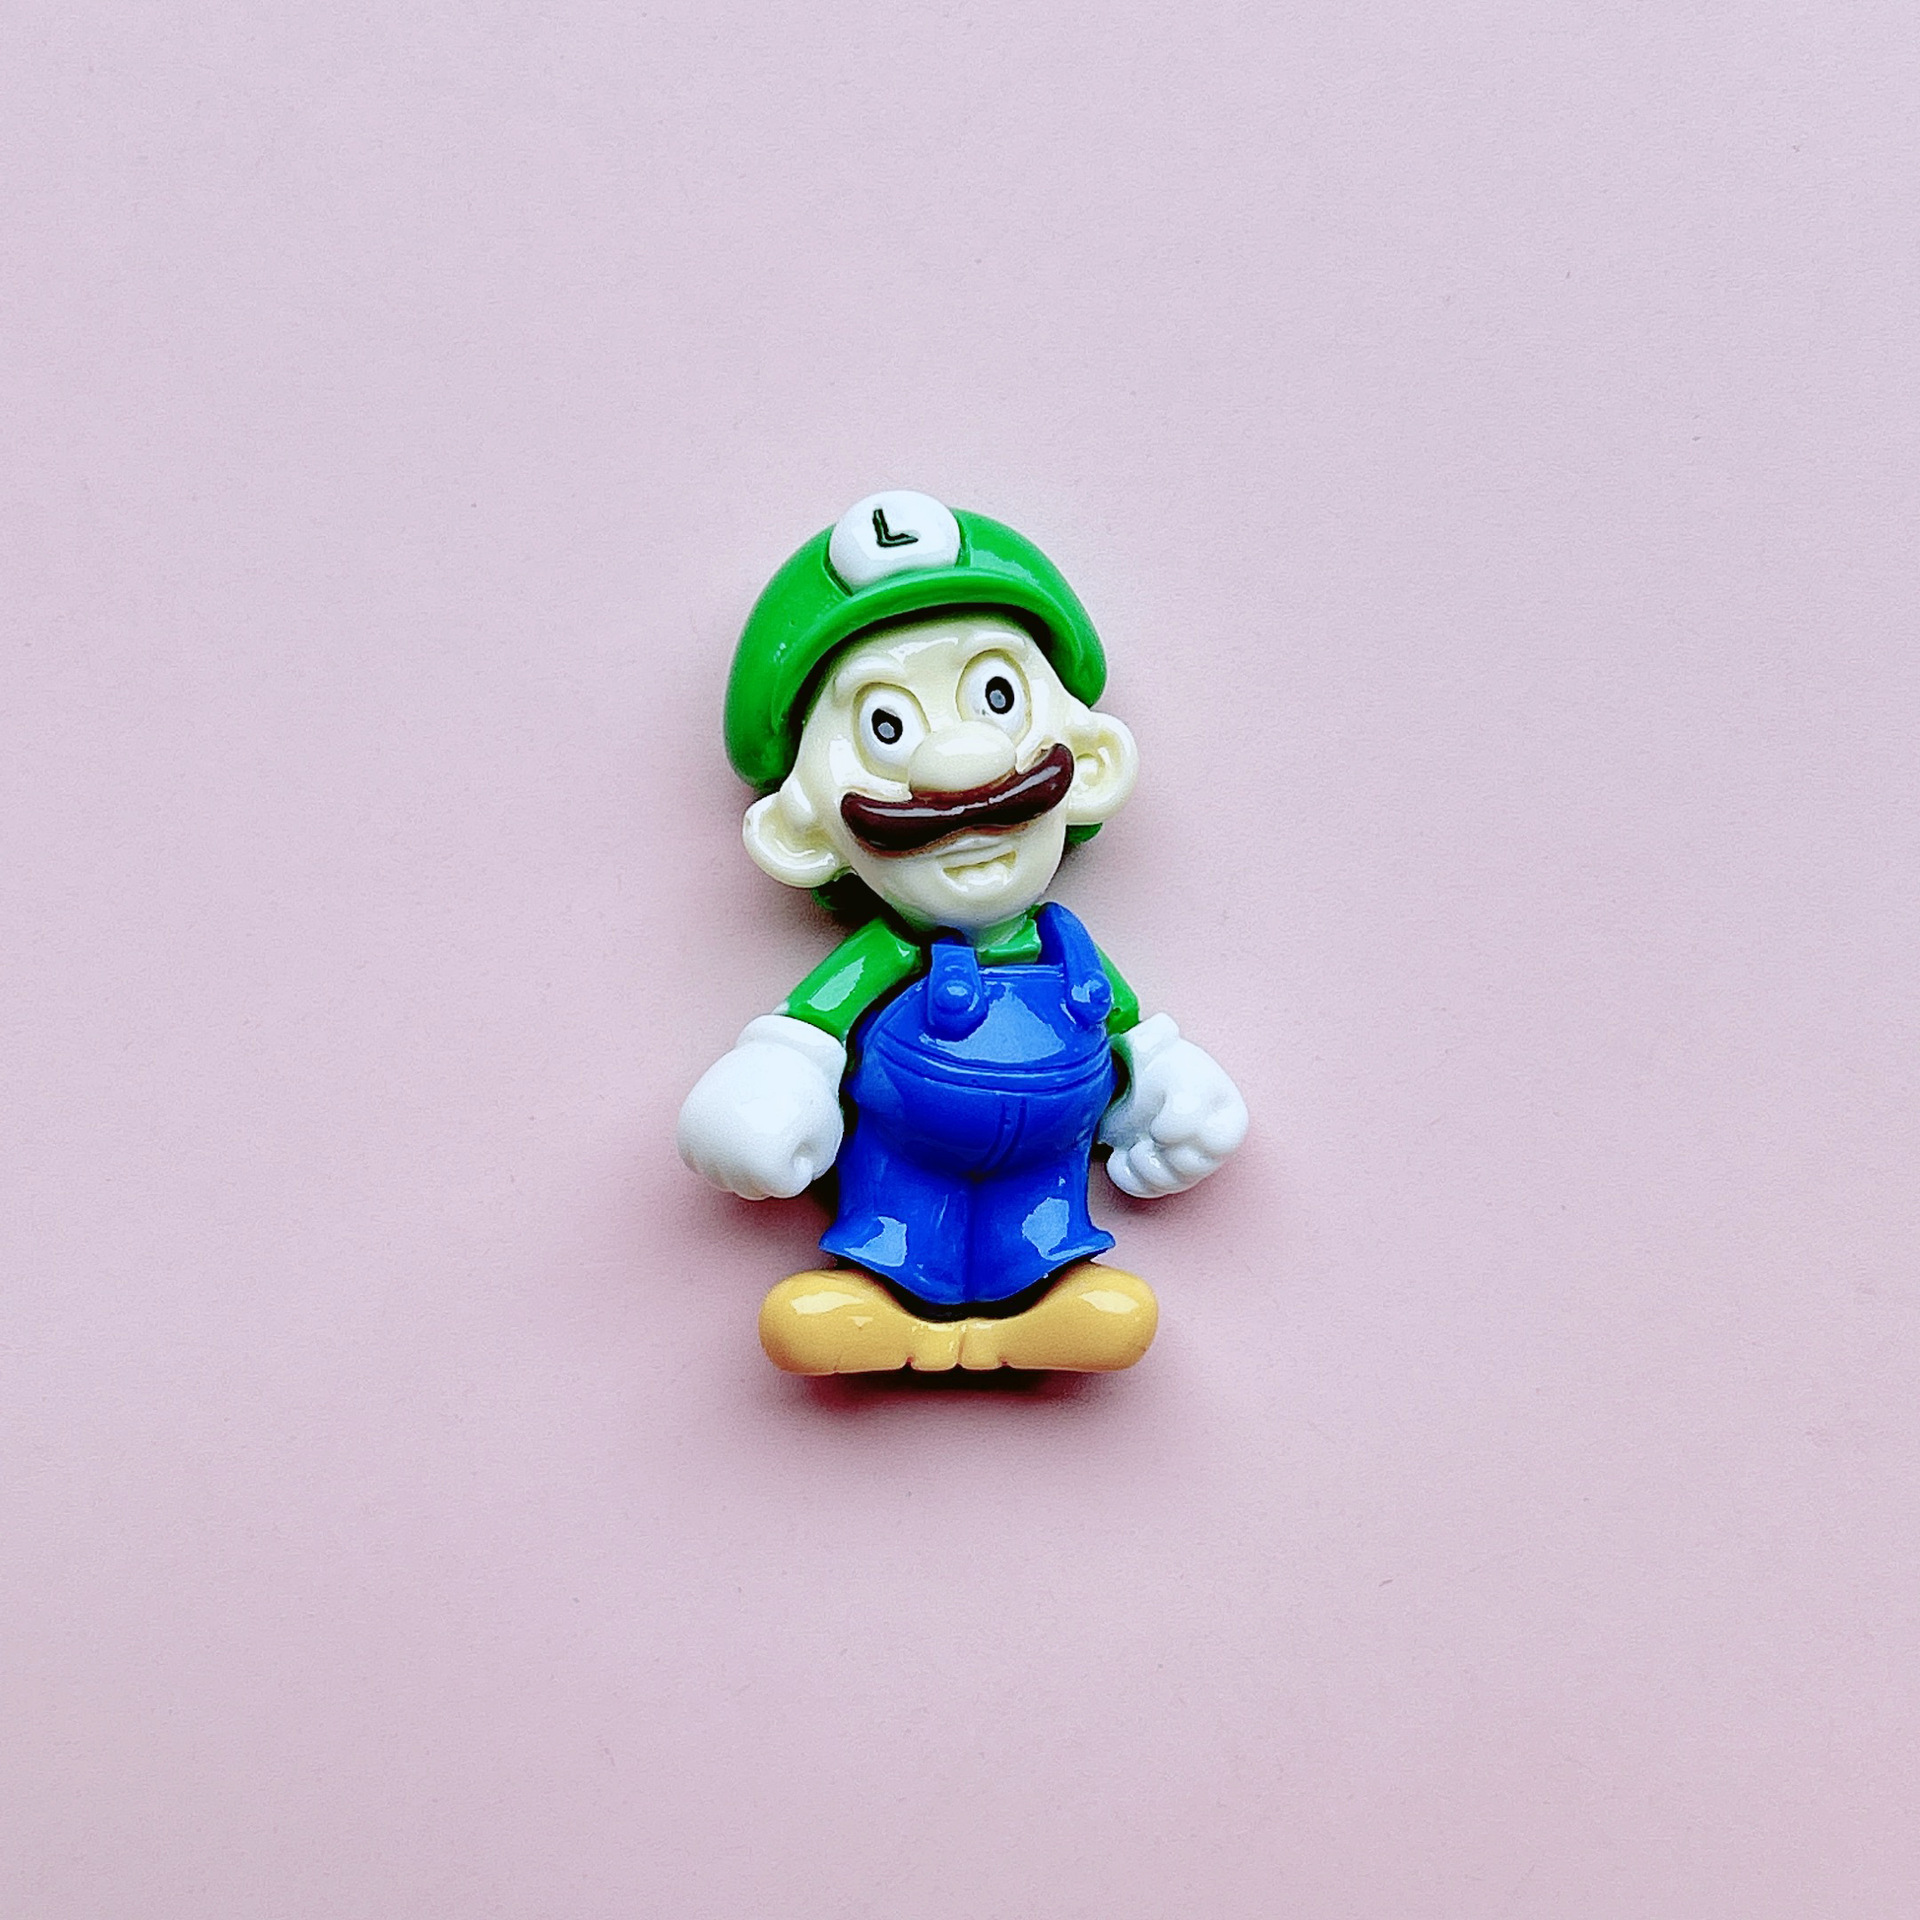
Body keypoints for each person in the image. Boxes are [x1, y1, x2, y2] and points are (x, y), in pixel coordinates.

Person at [678, 491, 1247, 1374]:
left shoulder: (1066, 948)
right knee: (899, 1217)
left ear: (1092, 762)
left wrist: (1171, 1083)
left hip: (1047, 1165)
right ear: (801, 830)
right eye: (887, 727)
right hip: (907, 1154)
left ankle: (1044, 1301)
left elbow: (1132, 1031)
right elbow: (809, 1031)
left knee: (1048, 1231)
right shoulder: (885, 955)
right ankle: (882, 1301)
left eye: (995, 697)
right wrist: (770, 1083)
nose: (961, 764)